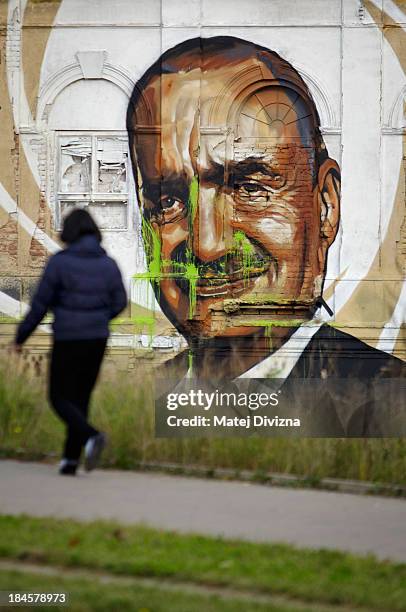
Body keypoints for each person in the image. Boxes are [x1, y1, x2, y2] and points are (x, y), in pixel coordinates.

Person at [127, 36, 404, 435]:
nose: (207, 247)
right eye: (167, 200)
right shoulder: (135, 403)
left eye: (249, 188)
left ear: (325, 207)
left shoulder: (388, 407)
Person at [13, 209, 127, 474]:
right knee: (80, 397)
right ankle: (70, 460)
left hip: (68, 337)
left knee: (58, 397)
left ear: (69, 232)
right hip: (97, 338)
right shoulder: (108, 264)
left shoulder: (59, 263)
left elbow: (39, 305)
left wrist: (20, 337)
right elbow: (120, 302)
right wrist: (99, 319)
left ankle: (91, 435)